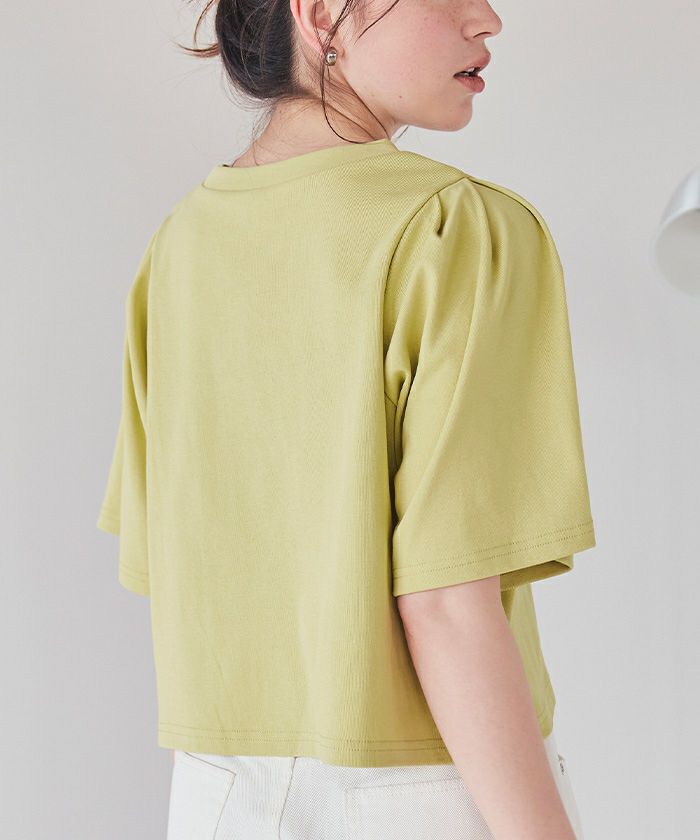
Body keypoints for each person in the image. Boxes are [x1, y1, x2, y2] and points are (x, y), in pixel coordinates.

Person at [95, 0, 597, 837]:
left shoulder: (179, 243)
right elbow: (445, 601)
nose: (489, 20)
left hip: (216, 794)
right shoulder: (455, 229)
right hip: (420, 792)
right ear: (323, 13)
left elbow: (176, 571)